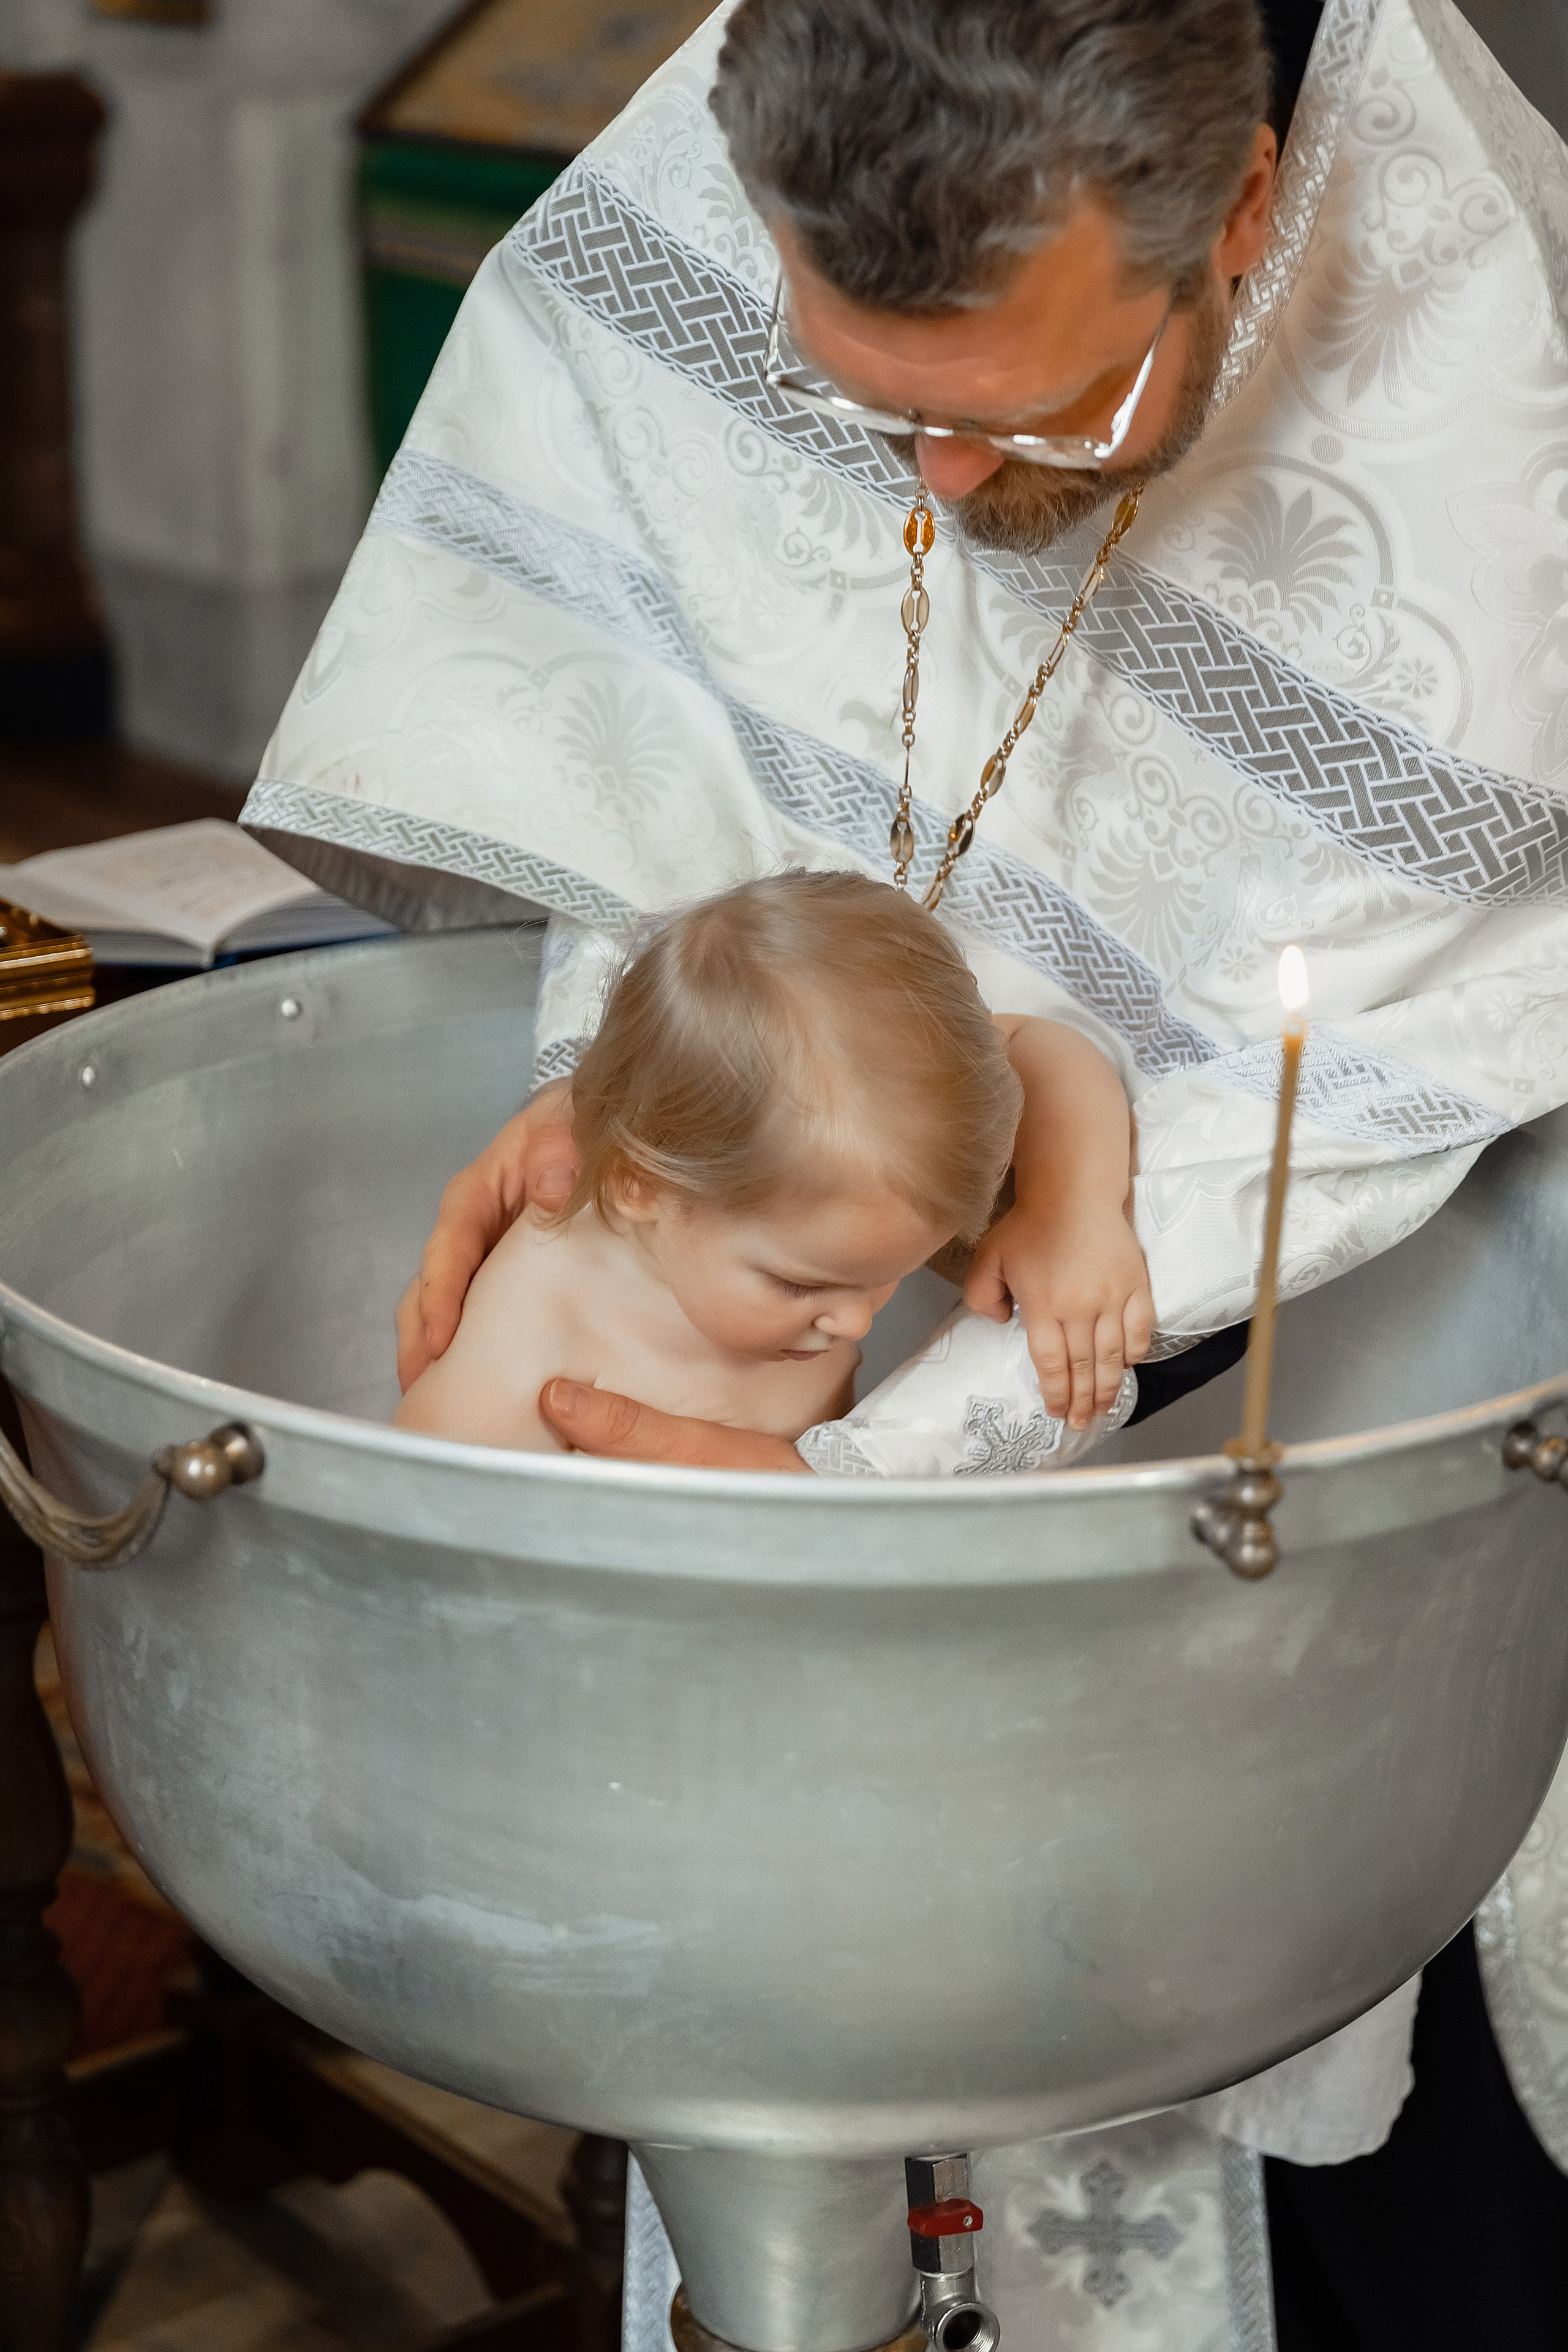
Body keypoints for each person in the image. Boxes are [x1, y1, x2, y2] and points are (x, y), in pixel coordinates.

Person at [243, 0, 1568, 2338]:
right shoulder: (762, 111)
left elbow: (1378, 1064)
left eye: (1026, 410)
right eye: (866, 404)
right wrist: (659, 1095)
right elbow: (657, 680)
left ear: (1241, 214)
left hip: (1268, 1422)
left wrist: (892, 1458)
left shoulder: (1477, 370)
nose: (936, 492)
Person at [396, 869, 1152, 1454]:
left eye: (887, 1274)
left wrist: (1070, 1208)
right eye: (801, 1281)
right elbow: (412, 1537)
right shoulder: (529, 1342)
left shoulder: (826, 1188)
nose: (855, 1319)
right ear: (638, 1183)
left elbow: (1041, 1049)